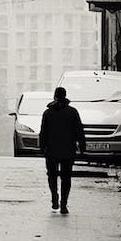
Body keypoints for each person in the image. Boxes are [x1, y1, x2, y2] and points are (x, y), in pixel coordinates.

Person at [39, 86, 86, 214]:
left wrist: (42, 147)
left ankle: (54, 198)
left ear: (55, 96)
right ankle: (64, 204)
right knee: (66, 178)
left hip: (51, 150)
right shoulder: (72, 112)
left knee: (52, 176)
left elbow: (43, 132)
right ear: (65, 96)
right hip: (68, 150)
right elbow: (79, 131)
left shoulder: (48, 113)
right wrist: (82, 146)